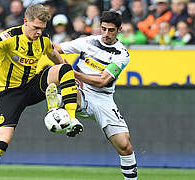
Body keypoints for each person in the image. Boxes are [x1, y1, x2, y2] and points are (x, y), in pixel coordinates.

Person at [0, 4, 83, 180]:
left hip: (31, 87)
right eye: (36, 27)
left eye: (42, 28)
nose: (38, 32)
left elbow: (54, 55)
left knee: (65, 69)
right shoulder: (10, 36)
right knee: (0, 144)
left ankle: (70, 118)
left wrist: (69, 74)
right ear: (25, 22)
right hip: (9, 95)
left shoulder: (43, 39)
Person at [54, 11, 138, 180]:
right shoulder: (88, 41)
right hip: (81, 91)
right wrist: (64, 67)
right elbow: (57, 48)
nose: (106, 34)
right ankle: (67, 114)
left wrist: (74, 73)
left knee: (125, 145)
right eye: (103, 29)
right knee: (67, 81)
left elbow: (102, 81)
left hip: (103, 99)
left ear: (119, 30)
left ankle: (62, 108)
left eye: (111, 30)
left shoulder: (122, 54)